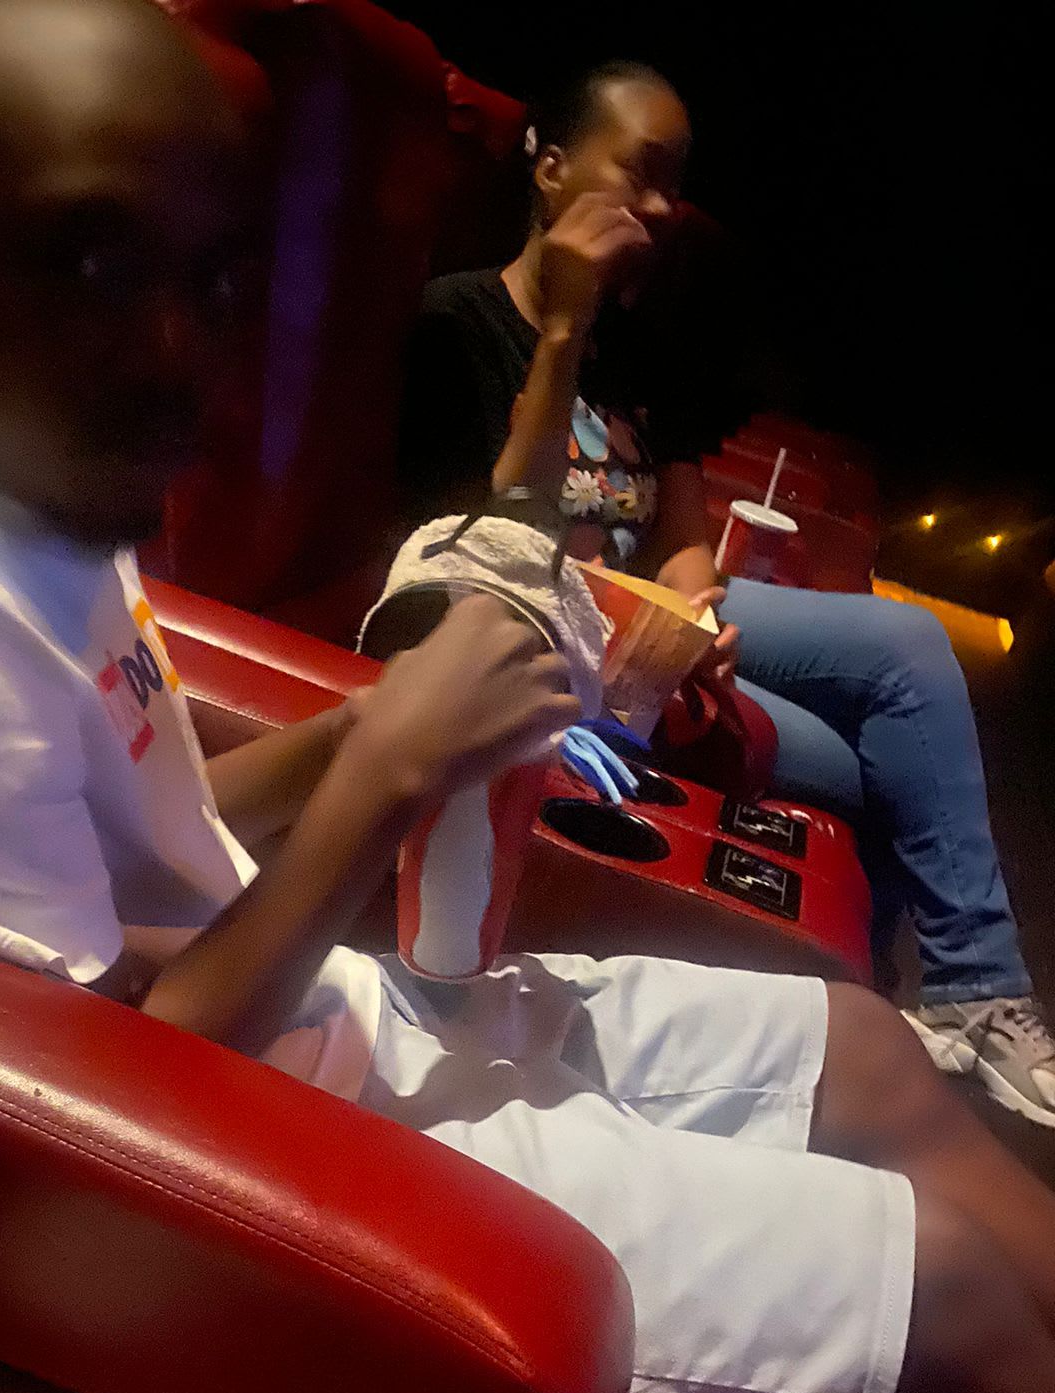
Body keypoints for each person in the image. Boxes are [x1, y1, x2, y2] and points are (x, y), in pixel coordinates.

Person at [0, 0, 1055, 1393]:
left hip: (337, 1030)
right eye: (99, 261)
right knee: (939, 1287)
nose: (177, 352)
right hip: (266, 1170)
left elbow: (152, 845)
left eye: (216, 280)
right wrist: (387, 777)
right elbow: (106, 1122)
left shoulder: (15, 469)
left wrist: (375, 725)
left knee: (866, 1050)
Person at [397, 58, 1055, 1128]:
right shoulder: (459, 324)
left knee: (899, 677)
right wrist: (560, 328)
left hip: (646, 642)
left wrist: (697, 614)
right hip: (548, 651)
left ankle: (931, 1003)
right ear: (554, 169)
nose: (662, 209)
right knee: (884, 701)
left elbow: (682, 535)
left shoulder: (637, 344)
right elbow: (481, 556)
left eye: (676, 183)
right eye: (640, 174)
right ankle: (964, 993)